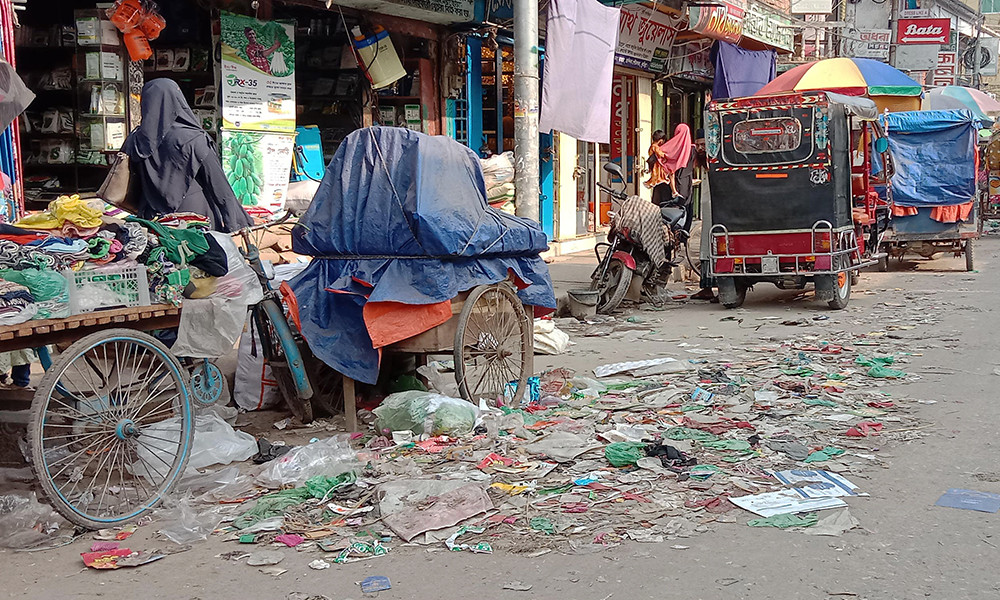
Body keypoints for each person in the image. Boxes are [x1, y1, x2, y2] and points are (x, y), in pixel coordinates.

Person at [122, 79, 253, 233]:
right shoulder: (193, 139)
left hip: (153, 222)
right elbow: (219, 186)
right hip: (195, 221)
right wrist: (236, 223)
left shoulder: (135, 140)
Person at [646, 124, 695, 229]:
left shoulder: (667, 148)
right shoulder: (692, 150)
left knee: (662, 213)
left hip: (664, 186)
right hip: (684, 187)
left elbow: (659, 161)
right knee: (683, 212)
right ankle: (682, 235)